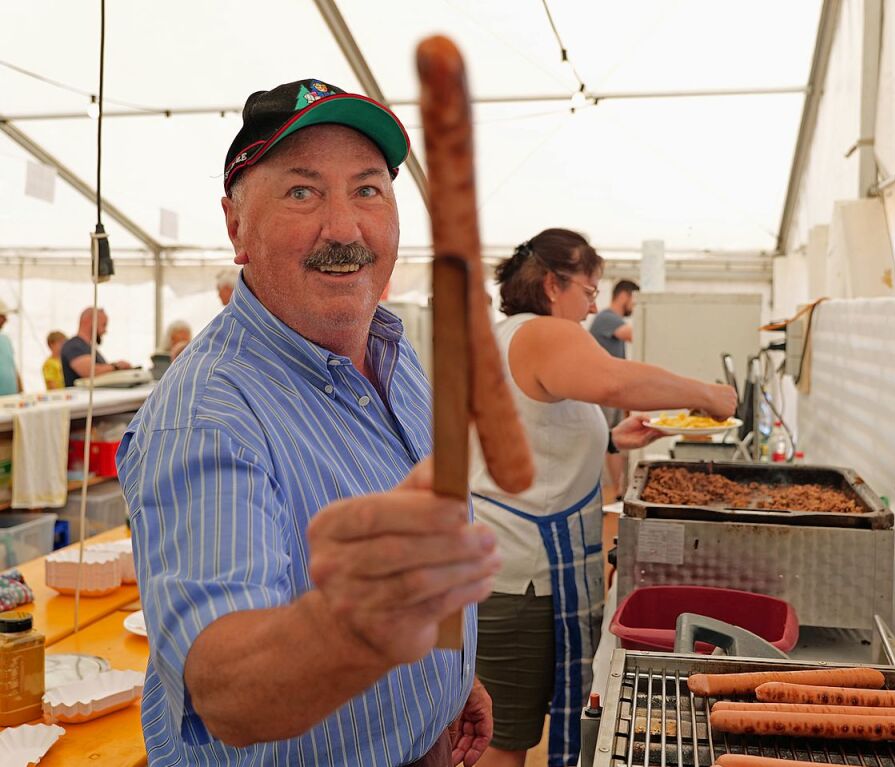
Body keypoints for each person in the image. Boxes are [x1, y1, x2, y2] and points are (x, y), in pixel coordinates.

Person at [116, 78, 498, 767]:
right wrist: (371, 623)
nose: (345, 229)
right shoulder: (209, 416)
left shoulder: (392, 347)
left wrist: (444, 680)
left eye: (368, 190)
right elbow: (228, 689)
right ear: (237, 227)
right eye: (302, 192)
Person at [469, 230, 736, 767]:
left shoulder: (510, 336)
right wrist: (707, 394)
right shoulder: (544, 333)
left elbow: (533, 431)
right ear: (551, 284)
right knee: (507, 737)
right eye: (589, 291)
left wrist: (614, 439)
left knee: (509, 725)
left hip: (507, 567)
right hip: (523, 577)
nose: (594, 306)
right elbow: (615, 382)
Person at [588, 279, 639, 499]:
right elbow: (634, 334)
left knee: (613, 441)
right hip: (602, 391)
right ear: (624, 296)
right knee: (603, 438)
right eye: (634, 300)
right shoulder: (606, 318)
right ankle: (600, 491)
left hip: (614, 392)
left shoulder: (611, 319)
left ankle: (618, 490)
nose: (634, 306)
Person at [60, 308, 133, 387]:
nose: (105, 331)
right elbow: (90, 372)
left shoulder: (88, 347)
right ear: (90, 321)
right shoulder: (74, 345)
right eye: (103, 325)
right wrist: (117, 366)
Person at [0, 300, 21, 396]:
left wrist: (21, 389)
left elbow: (12, 366)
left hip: (11, 397)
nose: (6, 320)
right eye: (2, 316)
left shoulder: (5, 340)